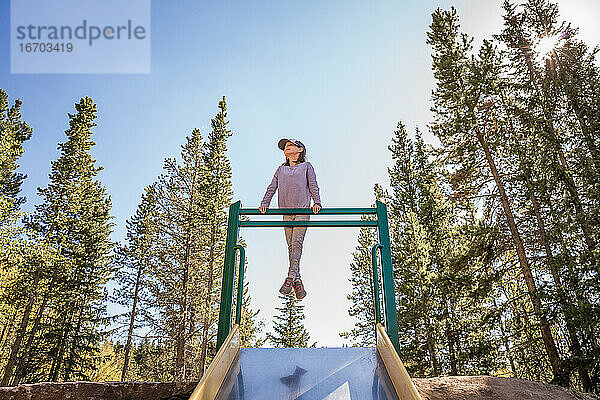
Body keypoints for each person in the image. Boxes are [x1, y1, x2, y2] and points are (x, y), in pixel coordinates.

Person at [259, 138, 322, 299]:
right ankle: (298, 280)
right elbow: (272, 187)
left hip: (302, 210)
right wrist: (264, 203)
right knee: (291, 247)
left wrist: (317, 202)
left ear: (300, 150)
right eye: (285, 147)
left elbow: (313, 184)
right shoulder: (280, 170)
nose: (286, 147)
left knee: (296, 243)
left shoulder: (306, 166)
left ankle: (289, 277)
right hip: (286, 212)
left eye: (290, 145)